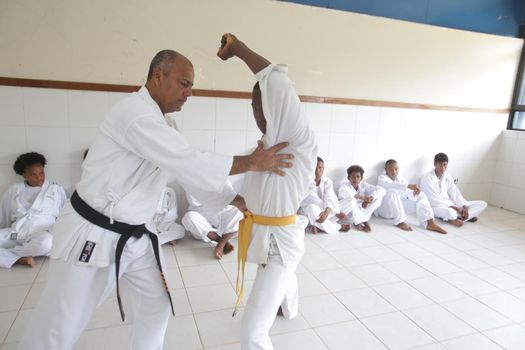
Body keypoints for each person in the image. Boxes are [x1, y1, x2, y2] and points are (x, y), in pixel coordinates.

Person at [18, 48, 293, 350]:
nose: (189, 93)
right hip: (94, 233)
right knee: (58, 325)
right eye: (183, 83)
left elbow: (187, 171)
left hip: (137, 235)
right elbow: (189, 161)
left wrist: (234, 199)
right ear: (158, 76)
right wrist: (252, 162)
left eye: (191, 86)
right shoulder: (134, 114)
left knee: (155, 307)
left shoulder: (165, 124)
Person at [217, 33, 317, 349]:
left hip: (280, 248)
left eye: (264, 106)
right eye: (253, 107)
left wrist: (239, 49)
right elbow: (233, 186)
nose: (259, 114)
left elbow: (277, 83)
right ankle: (289, 304)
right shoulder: (260, 150)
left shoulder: (299, 140)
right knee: (282, 283)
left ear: (278, 107)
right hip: (264, 238)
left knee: (252, 333)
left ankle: (283, 300)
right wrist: (237, 195)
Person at [0, 152, 66, 268]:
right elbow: (4, 215)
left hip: (42, 233)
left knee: (47, 244)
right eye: (34, 174)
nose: (39, 177)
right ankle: (21, 258)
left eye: (41, 173)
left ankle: (11, 256)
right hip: (17, 232)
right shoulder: (14, 190)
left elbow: (64, 215)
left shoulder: (55, 189)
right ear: (24, 175)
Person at [377, 159, 447, 233]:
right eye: (391, 170)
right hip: (386, 211)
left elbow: (407, 192)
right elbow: (391, 185)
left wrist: (414, 193)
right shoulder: (382, 178)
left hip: (399, 208)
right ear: (386, 170)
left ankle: (429, 222)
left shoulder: (401, 179)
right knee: (392, 192)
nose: (394, 172)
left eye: (396, 169)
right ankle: (400, 222)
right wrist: (408, 186)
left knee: (421, 194)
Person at [420, 152, 487, 227]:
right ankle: (460, 217)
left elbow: (455, 193)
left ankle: (458, 218)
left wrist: (464, 206)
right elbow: (433, 200)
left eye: (444, 165)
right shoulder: (427, 178)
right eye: (440, 164)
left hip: (451, 204)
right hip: (436, 206)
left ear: (447, 165)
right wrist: (455, 207)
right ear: (434, 164)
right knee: (449, 213)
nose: (442, 168)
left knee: (482, 204)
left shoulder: (448, 176)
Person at [182, 181, 243, 259]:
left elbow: (230, 198)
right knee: (188, 217)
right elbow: (195, 203)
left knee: (240, 211)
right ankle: (221, 241)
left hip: (222, 213)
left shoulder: (222, 178)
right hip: (203, 217)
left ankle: (221, 243)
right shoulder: (191, 181)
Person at [299, 157, 349, 233]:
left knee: (351, 201)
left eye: (319, 168)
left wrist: (328, 211)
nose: (316, 171)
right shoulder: (305, 183)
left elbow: (330, 197)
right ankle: (337, 227)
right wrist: (335, 213)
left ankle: (319, 226)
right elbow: (316, 201)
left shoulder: (327, 181)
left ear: (323, 168)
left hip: (325, 212)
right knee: (312, 207)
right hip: (309, 213)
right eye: (314, 168)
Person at [337, 165, 385, 232]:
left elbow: (382, 190)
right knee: (352, 200)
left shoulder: (363, 185)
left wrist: (371, 198)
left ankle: (362, 220)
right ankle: (361, 222)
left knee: (378, 197)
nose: (355, 179)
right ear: (348, 178)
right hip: (348, 213)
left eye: (358, 177)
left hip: (360, 211)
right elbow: (345, 195)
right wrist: (363, 198)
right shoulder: (344, 186)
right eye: (353, 176)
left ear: (361, 178)